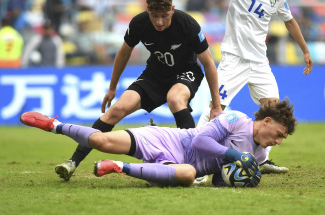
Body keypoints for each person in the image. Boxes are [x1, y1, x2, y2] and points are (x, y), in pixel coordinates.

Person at [54, 0, 222, 181]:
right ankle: (73, 162)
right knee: (116, 111)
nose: (159, 22)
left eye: (164, 16)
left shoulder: (187, 24)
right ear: (147, 10)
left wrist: (216, 104)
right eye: (154, 16)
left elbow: (209, 64)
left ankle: (193, 166)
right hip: (155, 74)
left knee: (175, 99)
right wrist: (112, 87)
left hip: (186, 72)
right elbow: (124, 52)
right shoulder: (139, 23)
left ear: (173, 10)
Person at [20, 98, 296, 187]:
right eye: (280, 133)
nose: (279, 141)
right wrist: (235, 155)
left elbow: (216, 180)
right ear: (268, 120)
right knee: (102, 140)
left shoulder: (259, 156)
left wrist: (239, 180)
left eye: (282, 139)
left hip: (181, 167)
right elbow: (200, 140)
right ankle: (53, 125)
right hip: (170, 140)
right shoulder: (236, 118)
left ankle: (117, 167)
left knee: (188, 174)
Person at [197, 0, 313, 174]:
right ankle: (195, 156)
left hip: (260, 62)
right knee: (216, 105)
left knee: (275, 109)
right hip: (234, 59)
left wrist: (305, 50)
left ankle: (261, 160)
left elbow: (289, 21)